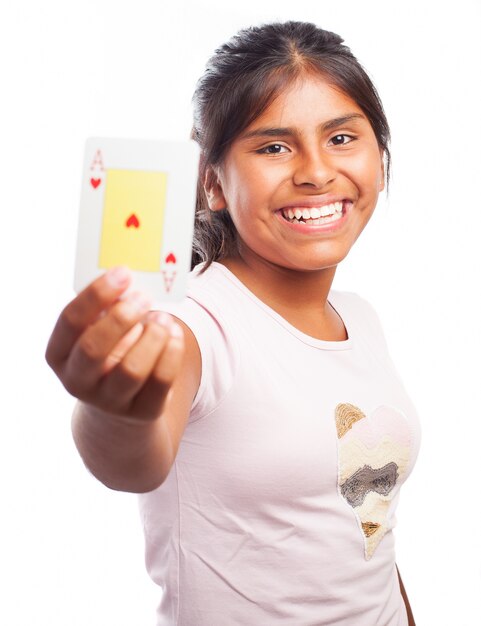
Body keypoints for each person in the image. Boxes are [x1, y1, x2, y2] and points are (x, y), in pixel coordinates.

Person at [46, 21, 420, 626]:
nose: (317, 171)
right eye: (274, 147)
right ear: (213, 183)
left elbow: (367, 532)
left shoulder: (360, 318)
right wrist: (113, 409)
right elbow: (132, 459)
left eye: (343, 138)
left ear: (380, 152)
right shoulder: (195, 325)